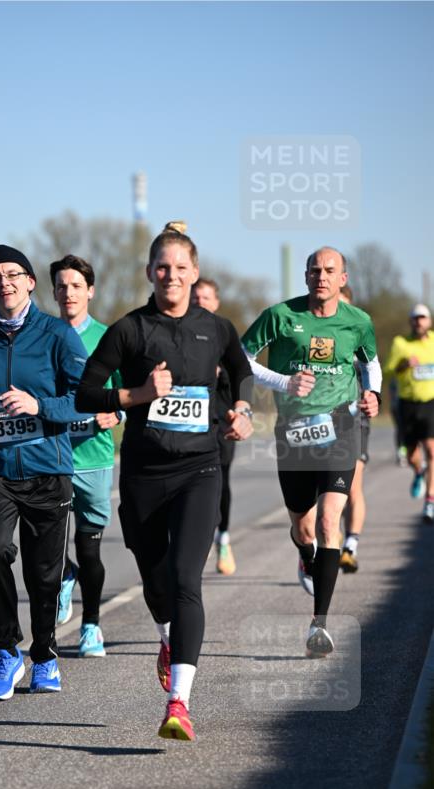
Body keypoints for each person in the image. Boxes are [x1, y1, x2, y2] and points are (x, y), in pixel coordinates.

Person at [77, 222, 253, 741]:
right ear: (149, 273)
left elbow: (240, 371)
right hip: (143, 476)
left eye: (181, 268)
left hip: (200, 468)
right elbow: (88, 392)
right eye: (162, 268)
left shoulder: (216, 327)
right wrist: (136, 394)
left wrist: (241, 409)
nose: (171, 276)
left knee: (184, 578)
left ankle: (180, 701)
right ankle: (166, 637)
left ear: (195, 273)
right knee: (156, 584)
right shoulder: (130, 330)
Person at [0, 244, 87, 700]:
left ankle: (45, 655)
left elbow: (82, 399)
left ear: (30, 282)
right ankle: (8, 652)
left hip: (48, 470)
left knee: (44, 575)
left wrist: (39, 405)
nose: (3, 281)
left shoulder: (57, 335)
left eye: (13, 274)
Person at [242, 247, 381, 656]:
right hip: (294, 433)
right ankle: (306, 556)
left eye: (329, 270)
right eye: (314, 270)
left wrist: (371, 393)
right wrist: (283, 382)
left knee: (327, 522)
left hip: (341, 427)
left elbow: (370, 363)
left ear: (342, 278)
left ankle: (318, 625)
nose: (321, 276)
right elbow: (241, 359)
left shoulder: (359, 322)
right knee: (304, 530)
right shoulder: (280, 316)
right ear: (306, 277)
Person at [50, 254, 121, 657]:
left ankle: (91, 625)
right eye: (61, 286)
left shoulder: (109, 338)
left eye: (76, 285)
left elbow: (131, 388)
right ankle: (64, 574)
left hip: (93, 457)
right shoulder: (41, 335)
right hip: (51, 457)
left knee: (90, 547)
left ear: (90, 291)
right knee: (49, 546)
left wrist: (119, 411)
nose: (68, 293)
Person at [192, 277, 237, 575]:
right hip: (191, 423)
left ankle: (223, 538)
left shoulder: (224, 333)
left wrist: (220, 373)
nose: (200, 302)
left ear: (216, 302)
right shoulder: (179, 329)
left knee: (219, 481)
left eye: (206, 298)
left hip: (222, 421)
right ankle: (198, 539)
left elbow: (243, 375)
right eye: (196, 298)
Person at [384, 304, 434, 523]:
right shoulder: (400, 343)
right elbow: (387, 370)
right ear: (410, 322)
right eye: (415, 318)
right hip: (408, 404)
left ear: (429, 321)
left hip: (431, 402)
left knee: (432, 450)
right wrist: (404, 365)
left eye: (422, 318)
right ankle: (419, 471)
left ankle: (430, 501)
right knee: (412, 453)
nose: (419, 322)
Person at [337, 285, 369, 573]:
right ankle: (325, 540)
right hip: (319, 420)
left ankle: (350, 547)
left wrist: (373, 395)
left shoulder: (360, 332)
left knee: (352, 487)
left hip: (355, 419)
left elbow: (375, 372)